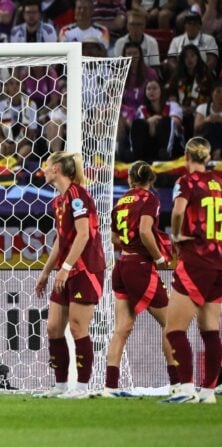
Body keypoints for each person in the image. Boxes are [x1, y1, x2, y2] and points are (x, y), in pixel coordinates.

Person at [103, 161, 179, 397]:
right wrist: (157, 257)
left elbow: (114, 238)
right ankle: (177, 384)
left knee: (121, 329)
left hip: (122, 265)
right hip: (140, 266)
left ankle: (110, 387)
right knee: (171, 324)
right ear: (151, 180)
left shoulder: (121, 200)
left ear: (130, 180)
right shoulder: (150, 199)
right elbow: (146, 231)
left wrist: (131, 244)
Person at [34, 151, 105, 399]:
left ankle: (83, 387)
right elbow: (61, 241)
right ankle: (61, 385)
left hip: (86, 268)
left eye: (46, 164)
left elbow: (84, 235)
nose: (42, 169)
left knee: (77, 327)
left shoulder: (78, 195)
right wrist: (45, 273)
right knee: (53, 327)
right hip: (66, 269)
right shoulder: (59, 201)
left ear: (56, 170)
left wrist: (65, 268)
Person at [163, 137, 222, 404]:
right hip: (219, 261)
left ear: (187, 157)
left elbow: (178, 211)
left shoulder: (186, 182)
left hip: (197, 261)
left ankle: (186, 389)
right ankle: (208, 392)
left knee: (174, 329)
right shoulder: (220, 183)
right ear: (207, 157)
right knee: (210, 330)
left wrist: (176, 234)